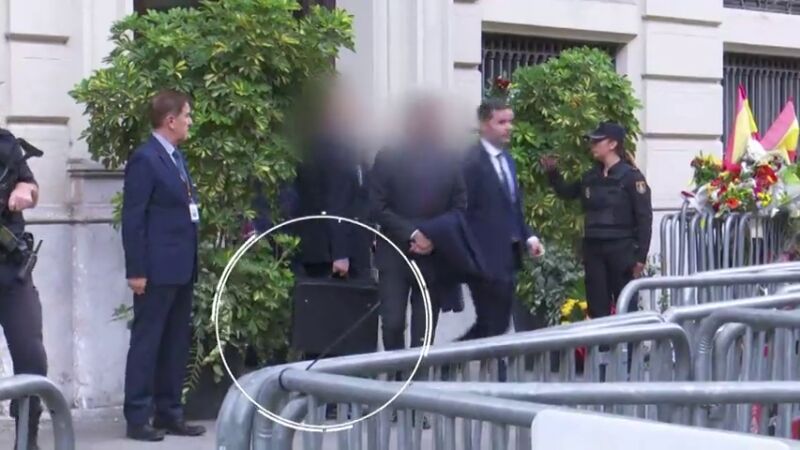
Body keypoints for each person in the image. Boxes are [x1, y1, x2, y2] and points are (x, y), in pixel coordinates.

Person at [121, 90, 206, 441]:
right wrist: (136, 270)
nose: (190, 121)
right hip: (155, 270)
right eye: (186, 115)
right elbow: (133, 217)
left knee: (175, 342)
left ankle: (170, 412)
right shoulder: (146, 159)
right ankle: (138, 416)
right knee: (147, 343)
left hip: (181, 267)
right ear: (170, 120)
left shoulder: (175, 157)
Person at [369, 96, 467, 352]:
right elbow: (377, 206)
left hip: (433, 257)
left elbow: (459, 207)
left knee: (424, 330)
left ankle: (418, 373)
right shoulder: (388, 156)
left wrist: (433, 237)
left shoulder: (450, 159)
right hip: (394, 251)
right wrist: (412, 233)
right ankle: (396, 371)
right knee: (392, 323)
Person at [540, 122, 653, 318]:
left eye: (597, 141)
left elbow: (644, 218)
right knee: (597, 306)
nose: (592, 145)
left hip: (621, 249)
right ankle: (601, 339)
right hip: (594, 248)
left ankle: (629, 340)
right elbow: (567, 192)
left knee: (626, 307)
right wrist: (552, 173)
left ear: (612, 144)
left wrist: (641, 257)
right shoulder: (591, 177)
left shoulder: (631, 177)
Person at [458, 98, 545, 342]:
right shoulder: (470, 162)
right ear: (485, 124)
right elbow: (461, 211)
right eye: (502, 122)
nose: (509, 127)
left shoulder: (507, 160)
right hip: (482, 258)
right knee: (491, 322)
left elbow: (512, 206)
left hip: (508, 256)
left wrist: (529, 237)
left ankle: (456, 357)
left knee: (499, 324)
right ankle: (454, 358)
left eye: (510, 121)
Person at [0, 129, 46, 450]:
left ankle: (26, 437)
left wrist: (24, 189)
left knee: (32, 356)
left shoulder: (5, 143)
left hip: (11, 271)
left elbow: (31, 186)